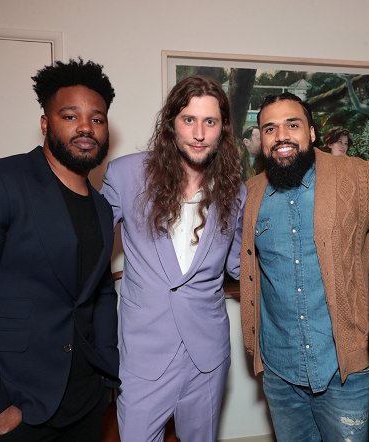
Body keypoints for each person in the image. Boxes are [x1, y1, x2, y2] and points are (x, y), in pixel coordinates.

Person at [0, 58, 120, 442]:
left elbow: (98, 293)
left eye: (97, 119)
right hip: (11, 404)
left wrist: (108, 374)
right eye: (71, 116)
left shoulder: (101, 206)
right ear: (46, 123)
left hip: (84, 400)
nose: (86, 127)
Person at [101, 75, 245, 442]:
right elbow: (87, 244)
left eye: (210, 122)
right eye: (189, 120)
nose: (199, 133)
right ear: (171, 124)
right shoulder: (125, 174)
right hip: (144, 352)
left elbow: (238, 266)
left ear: (223, 129)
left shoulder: (236, 191)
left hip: (207, 354)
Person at [239, 92, 369, 442]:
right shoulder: (250, 194)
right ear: (260, 139)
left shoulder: (358, 176)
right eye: (270, 128)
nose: (282, 136)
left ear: (312, 132)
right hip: (280, 371)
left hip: (347, 370)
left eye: (293, 125)